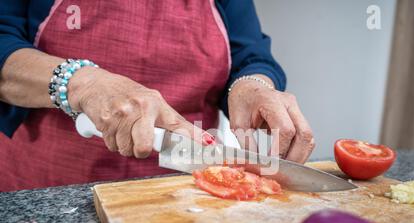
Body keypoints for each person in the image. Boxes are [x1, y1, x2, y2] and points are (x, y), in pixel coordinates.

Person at [0, 0, 314, 191]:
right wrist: (83, 84)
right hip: (46, 183)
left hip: (178, 188)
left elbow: (249, 52)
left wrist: (252, 84)